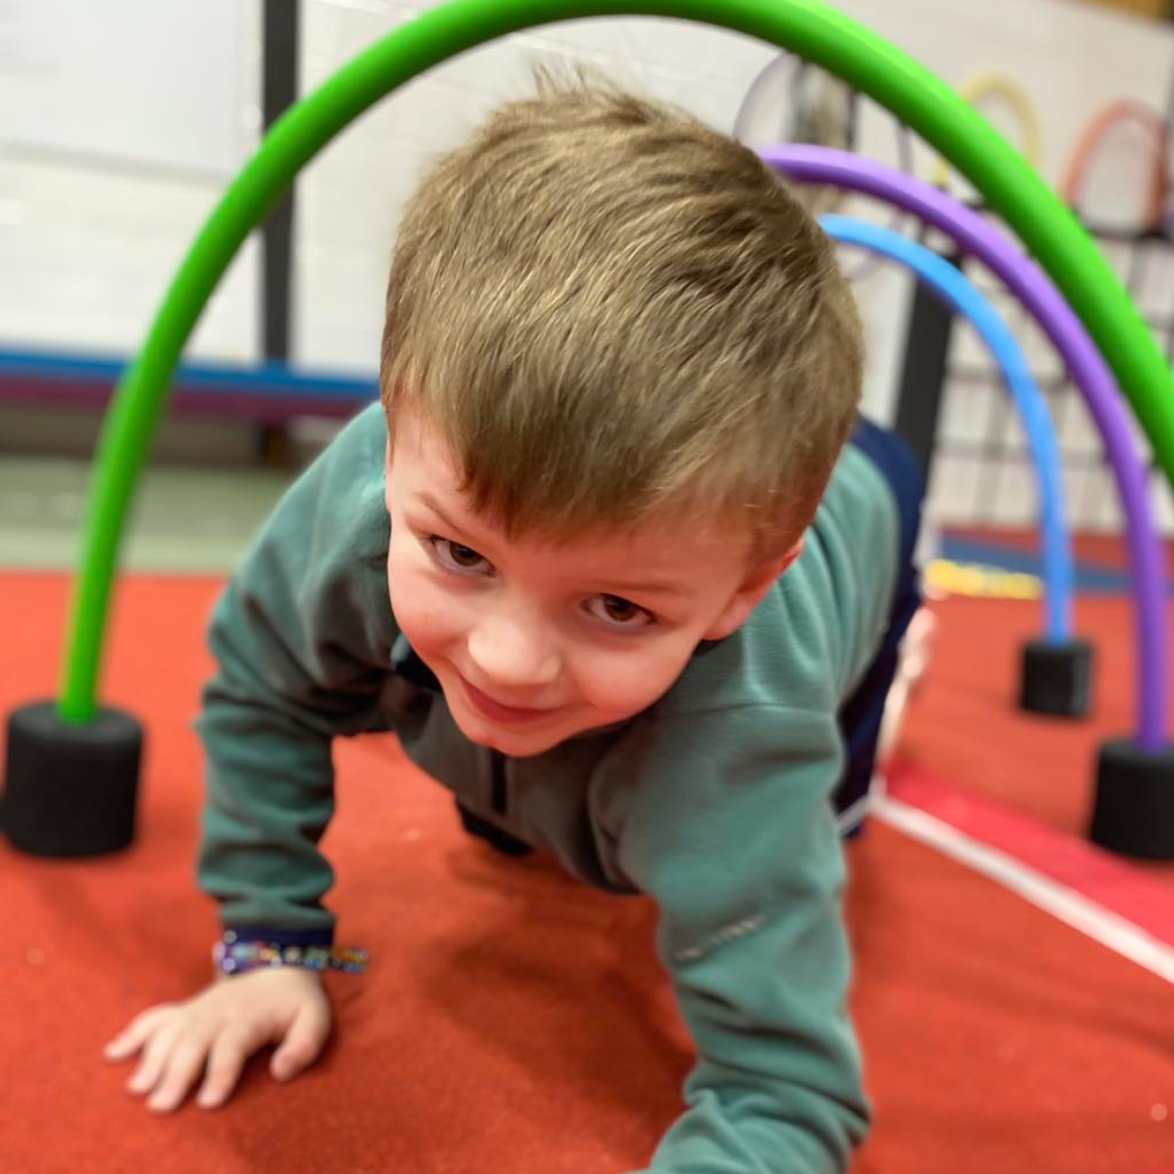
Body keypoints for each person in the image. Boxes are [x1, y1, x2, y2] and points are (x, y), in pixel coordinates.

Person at [103, 71, 925, 1173]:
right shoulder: (369, 495)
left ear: (740, 592)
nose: (505, 655)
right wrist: (268, 943)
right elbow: (262, 687)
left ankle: (839, 693)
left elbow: (785, 1096)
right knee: (522, 770)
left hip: (871, 508)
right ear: (390, 440)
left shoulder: (746, 729)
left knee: (813, 819)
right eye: (458, 554)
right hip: (676, 582)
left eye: (619, 605)